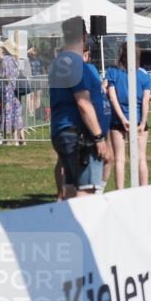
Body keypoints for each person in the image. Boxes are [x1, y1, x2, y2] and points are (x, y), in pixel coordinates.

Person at [48, 17, 113, 198]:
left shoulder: (60, 64)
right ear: (84, 36)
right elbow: (83, 103)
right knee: (86, 190)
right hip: (80, 135)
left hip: (64, 131)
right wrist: (99, 137)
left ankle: (65, 223)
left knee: (70, 185)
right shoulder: (76, 64)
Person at [104, 43, 151, 190]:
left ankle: (120, 191)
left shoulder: (113, 73)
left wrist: (123, 119)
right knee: (141, 158)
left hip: (118, 120)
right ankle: (144, 190)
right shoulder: (144, 76)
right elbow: (146, 101)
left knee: (119, 159)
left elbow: (112, 97)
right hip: (138, 120)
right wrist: (143, 122)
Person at [0, 39, 26, 145]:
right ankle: (21, 140)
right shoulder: (14, 60)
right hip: (15, 90)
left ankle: (13, 140)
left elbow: (6, 77)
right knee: (16, 114)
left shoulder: (5, 61)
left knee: (9, 114)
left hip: (8, 91)